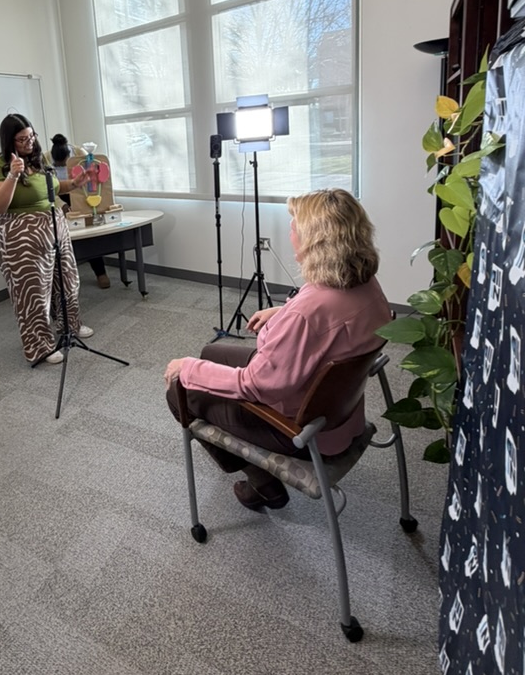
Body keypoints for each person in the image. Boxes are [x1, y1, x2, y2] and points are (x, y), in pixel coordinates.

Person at [164, 188, 390, 511]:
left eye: (295, 226)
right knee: (209, 352)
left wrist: (185, 368)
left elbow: (253, 385)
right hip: (341, 415)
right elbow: (324, 318)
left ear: (316, 241)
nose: (290, 233)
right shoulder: (366, 284)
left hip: (298, 427)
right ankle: (258, 474)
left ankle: (263, 482)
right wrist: (281, 313)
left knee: (180, 391)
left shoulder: (306, 315)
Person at [0, 114, 94, 365]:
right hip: (20, 237)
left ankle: (69, 326)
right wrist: (12, 175)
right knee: (33, 294)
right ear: (9, 141)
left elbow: (52, 188)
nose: (29, 142)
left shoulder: (38, 160)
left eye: (32, 136)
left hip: (53, 228)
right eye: (22, 139)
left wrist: (74, 183)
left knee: (68, 282)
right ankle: (39, 346)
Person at [43, 133, 111, 289]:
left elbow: (91, 178)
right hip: (59, 198)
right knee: (60, 237)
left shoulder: (79, 153)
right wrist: (63, 205)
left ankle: (100, 272)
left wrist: (81, 203)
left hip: (81, 194)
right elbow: (49, 189)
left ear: (69, 154)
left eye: (64, 163)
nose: (61, 166)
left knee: (89, 235)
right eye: (58, 164)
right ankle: (63, 281)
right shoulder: (44, 159)